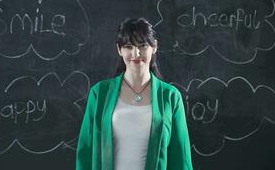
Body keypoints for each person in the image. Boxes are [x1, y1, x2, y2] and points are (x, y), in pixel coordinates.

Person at [76, 18, 193, 170]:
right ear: (119, 49)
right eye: (128, 46)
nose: (136, 53)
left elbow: (180, 157)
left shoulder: (170, 97)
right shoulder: (99, 94)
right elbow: (85, 153)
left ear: (154, 47)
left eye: (143, 45)